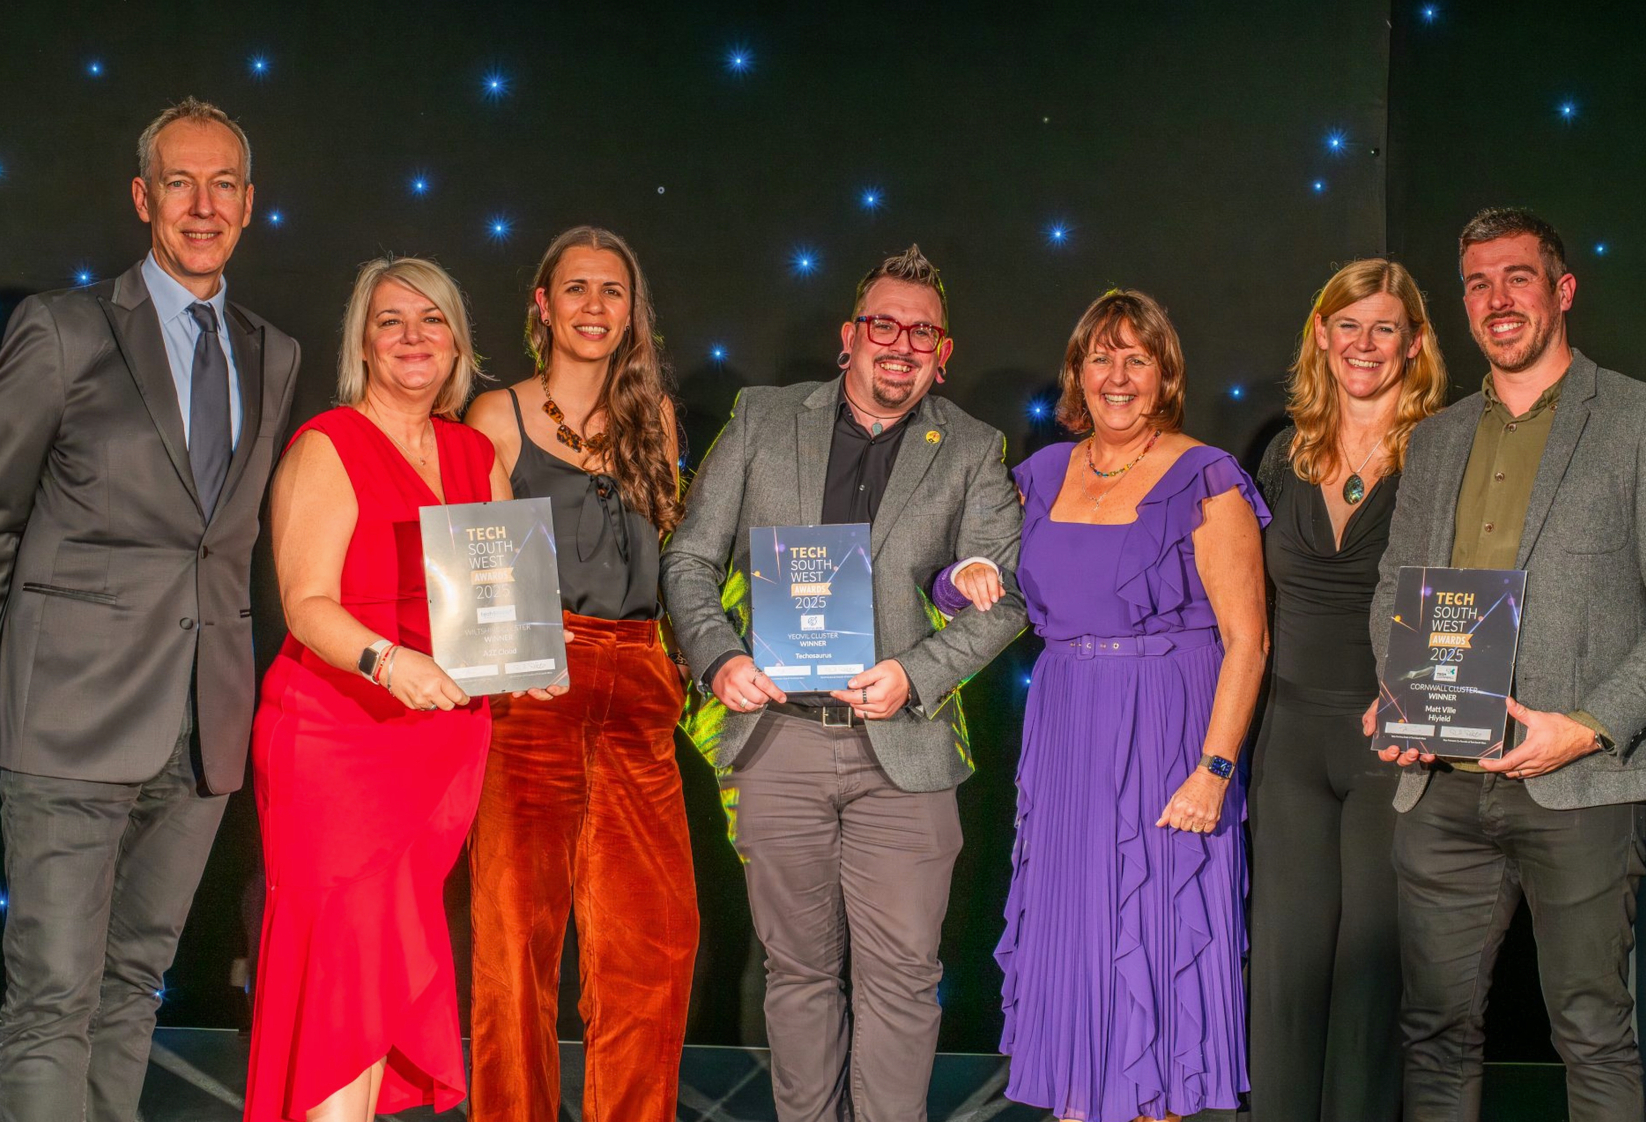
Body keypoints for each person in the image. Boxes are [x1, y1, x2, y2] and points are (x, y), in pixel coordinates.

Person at [0, 98, 299, 1122]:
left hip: (200, 733)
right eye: (181, 183)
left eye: (223, 184)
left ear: (249, 203)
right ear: (143, 197)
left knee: (129, 983)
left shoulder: (270, 351)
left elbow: (221, 544)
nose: (203, 205)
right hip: (66, 721)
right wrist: (32, 655)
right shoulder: (62, 330)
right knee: (53, 993)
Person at [662, 245, 1026, 1122]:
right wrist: (718, 658)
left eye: (922, 333)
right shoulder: (761, 418)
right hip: (777, 740)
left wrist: (916, 673)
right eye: (884, 326)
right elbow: (690, 559)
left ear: (944, 352)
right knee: (797, 973)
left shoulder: (973, 448)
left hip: (902, 748)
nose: (900, 345)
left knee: (904, 978)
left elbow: (1002, 600)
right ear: (849, 337)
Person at [1371, 208, 1646, 1120]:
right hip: (1441, 786)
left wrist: (1589, 727)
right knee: (1434, 1031)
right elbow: (1394, 589)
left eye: (1517, 277)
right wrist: (1396, 692)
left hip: (1585, 787)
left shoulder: (1645, 420)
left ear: (1561, 291)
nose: (1497, 299)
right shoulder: (1439, 436)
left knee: (1593, 1032)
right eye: (1479, 283)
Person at [941, 288, 1268, 1121]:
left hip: (1169, 731)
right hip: (1068, 731)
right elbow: (985, 578)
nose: (1117, 375)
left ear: (1165, 376)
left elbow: (1248, 641)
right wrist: (959, 577)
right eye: (1101, 357)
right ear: (1077, 373)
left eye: (1138, 358)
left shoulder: (1208, 477)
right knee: (1078, 945)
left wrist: (1214, 769)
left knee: (1153, 950)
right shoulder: (1043, 472)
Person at [243, 257, 537, 1121]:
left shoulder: (474, 450)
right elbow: (304, 607)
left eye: (432, 320)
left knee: (380, 967)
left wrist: (527, 662)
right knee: (342, 964)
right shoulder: (327, 444)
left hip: (437, 746)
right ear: (363, 344)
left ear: (457, 342)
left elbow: (498, 602)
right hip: (336, 740)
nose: (413, 337)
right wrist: (386, 662)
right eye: (390, 321)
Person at [463, 226, 697, 1121]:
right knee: (517, 945)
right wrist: (514, 665)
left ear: (632, 312)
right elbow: (479, 570)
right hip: (534, 686)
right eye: (576, 289)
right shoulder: (498, 416)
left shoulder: (656, 420)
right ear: (542, 305)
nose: (594, 307)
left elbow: (673, 557)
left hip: (637, 684)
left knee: (655, 943)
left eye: (612, 290)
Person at [1247, 259, 1447, 1122]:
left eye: (1385, 328)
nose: (1364, 344)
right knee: (1285, 973)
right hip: (1288, 738)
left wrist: (1428, 712)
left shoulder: (1446, 449)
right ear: (1321, 335)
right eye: (1348, 325)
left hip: (1392, 740)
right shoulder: (1279, 452)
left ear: (1412, 343)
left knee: (1372, 975)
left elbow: (1466, 595)